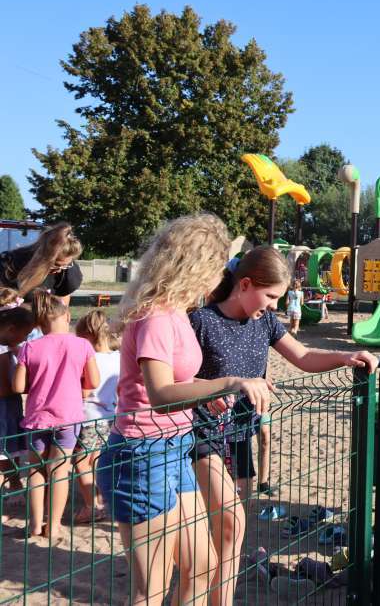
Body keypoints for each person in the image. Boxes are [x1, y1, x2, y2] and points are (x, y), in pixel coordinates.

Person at [95, 213, 273, 606]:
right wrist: (227, 383)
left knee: (203, 567)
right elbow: (160, 394)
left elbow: (179, 379)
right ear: (196, 265)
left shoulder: (177, 312)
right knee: (151, 589)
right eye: (218, 265)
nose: (221, 275)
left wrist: (203, 393)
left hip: (175, 447)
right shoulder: (156, 317)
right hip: (142, 454)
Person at [188, 245, 377, 606]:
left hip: (240, 435)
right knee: (228, 524)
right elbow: (178, 380)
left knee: (231, 532)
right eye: (271, 296)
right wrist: (216, 388)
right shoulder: (202, 321)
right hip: (202, 435)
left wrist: (345, 356)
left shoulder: (264, 322)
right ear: (245, 284)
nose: (275, 305)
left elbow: (302, 356)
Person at [12, 290, 99, 543]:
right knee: (60, 471)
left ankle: (35, 525)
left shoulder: (30, 347)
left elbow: (18, 386)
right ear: (67, 316)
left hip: (36, 418)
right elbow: (93, 382)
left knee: (36, 470)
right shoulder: (82, 345)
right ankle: (54, 526)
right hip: (68, 418)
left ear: (39, 322)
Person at [72, 309, 121, 524]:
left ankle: (92, 506)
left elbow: (84, 390)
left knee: (81, 463)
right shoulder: (118, 357)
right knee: (96, 461)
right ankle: (99, 499)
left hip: (88, 416)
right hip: (110, 416)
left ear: (88, 335)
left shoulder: (89, 359)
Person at [0, 289, 35, 497]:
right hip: (5, 406)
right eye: (26, 334)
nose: (26, 339)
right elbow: (5, 387)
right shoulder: (3, 351)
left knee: (9, 449)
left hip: (9, 405)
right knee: (6, 449)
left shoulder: (8, 348)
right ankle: (13, 486)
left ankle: (14, 484)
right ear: (12, 329)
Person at [0, 223, 83, 303]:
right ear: (41, 256)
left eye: (65, 266)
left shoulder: (67, 273)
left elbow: (62, 303)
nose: (59, 270)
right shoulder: (10, 263)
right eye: (55, 265)